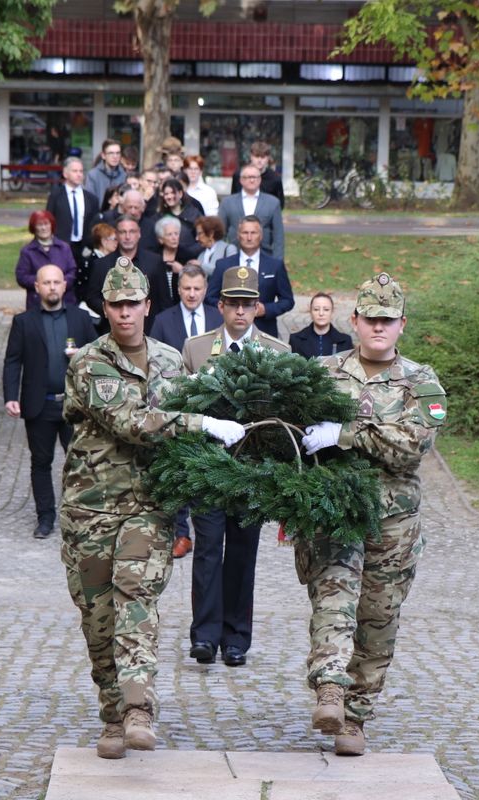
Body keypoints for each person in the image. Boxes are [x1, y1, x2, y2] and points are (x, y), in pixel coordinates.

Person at [60, 259, 246, 759]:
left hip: (149, 508)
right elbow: (132, 422)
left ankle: (139, 708)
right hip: (91, 512)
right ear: (105, 308)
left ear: (147, 305)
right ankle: (113, 715)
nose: (124, 313)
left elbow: (191, 421)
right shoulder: (89, 363)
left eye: (132, 304)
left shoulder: (171, 360)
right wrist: (199, 423)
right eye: (115, 304)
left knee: (136, 602)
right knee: (99, 619)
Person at [295, 272, 447, 757]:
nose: (378, 327)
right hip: (335, 515)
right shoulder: (321, 371)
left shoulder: (422, 382)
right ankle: (331, 689)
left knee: (378, 618)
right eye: (370, 318)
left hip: (394, 524)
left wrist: (346, 433)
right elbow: (292, 431)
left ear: (402, 324)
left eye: (388, 319)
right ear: (354, 321)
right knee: (334, 602)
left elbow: (412, 446)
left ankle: (355, 717)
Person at [181, 265, 290, 669]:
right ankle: (205, 635)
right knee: (208, 550)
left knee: (243, 554)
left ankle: (236, 638)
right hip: (208, 469)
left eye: (248, 304)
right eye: (233, 304)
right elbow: (182, 407)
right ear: (220, 305)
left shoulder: (277, 354)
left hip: (251, 474)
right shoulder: (196, 349)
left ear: (258, 308)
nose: (240, 312)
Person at [3, 265, 98, 538]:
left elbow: (99, 356)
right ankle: (45, 517)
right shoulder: (24, 322)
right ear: (37, 287)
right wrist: (10, 396)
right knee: (41, 462)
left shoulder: (80, 319)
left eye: (57, 282)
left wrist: (82, 356)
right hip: (39, 404)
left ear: (65, 286)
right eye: (47, 282)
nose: (53, 287)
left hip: (74, 405)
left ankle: (78, 515)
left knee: (81, 462)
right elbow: (13, 362)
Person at [148, 263, 223, 559]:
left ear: (205, 289)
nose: (192, 294)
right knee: (179, 470)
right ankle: (181, 533)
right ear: (178, 289)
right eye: (186, 288)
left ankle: (209, 529)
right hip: (176, 406)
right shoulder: (164, 320)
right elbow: (153, 359)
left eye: (197, 289)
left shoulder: (218, 319)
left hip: (213, 408)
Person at [205, 216, 294, 338]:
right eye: (245, 232)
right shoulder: (223, 265)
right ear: (238, 235)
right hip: (229, 331)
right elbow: (210, 298)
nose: (249, 237)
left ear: (261, 236)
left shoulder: (275, 265)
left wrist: (266, 309)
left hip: (264, 330)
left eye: (253, 233)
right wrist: (228, 308)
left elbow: (288, 300)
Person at [82, 215, 161, 332]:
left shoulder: (155, 261)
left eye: (132, 231)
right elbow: (91, 297)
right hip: (112, 330)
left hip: (148, 330)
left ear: (139, 233)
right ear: (117, 235)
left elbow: (163, 300)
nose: (127, 236)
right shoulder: (101, 265)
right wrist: (113, 310)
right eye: (123, 232)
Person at [218, 163, 285, 260]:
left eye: (255, 177)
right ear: (241, 180)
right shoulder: (227, 203)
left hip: (264, 255)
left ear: (260, 179)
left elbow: (278, 236)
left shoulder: (273, 203)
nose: (252, 180)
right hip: (234, 256)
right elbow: (220, 234)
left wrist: (278, 262)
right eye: (248, 177)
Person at [45, 155, 100, 272]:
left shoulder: (91, 199)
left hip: (84, 248)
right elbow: (48, 220)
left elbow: (95, 225)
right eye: (75, 171)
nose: (79, 174)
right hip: (61, 246)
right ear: (65, 173)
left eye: (81, 171)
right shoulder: (56, 196)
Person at [16, 210, 77, 310]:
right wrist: (43, 283)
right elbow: (21, 277)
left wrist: (58, 284)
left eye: (46, 224)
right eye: (39, 225)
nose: (43, 228)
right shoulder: (27, 251)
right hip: (37, 303)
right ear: (34, 228)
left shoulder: (64, 248)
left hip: (65, 300)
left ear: (51, 225)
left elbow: (72, 272)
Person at [147, 215, 193, 321]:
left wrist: (182, 271)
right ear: (161, 239)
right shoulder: (153, 257)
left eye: (176, 233)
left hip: (181, 307)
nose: (174, 237)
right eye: (169, 234)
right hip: (156, 308)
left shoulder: (187, 255)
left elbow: (194, 280)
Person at [150, 178, 202, 259]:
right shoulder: (158, 217)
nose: (169, 196)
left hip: (189, 258)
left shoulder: (194, 214)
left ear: (180, 193)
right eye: (166, 194)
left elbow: (203, 238)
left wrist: (190, 253)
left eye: (173, 193)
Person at [289, 293, 353, 358]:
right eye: (316, 309)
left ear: (332, 312)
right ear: (310, 312)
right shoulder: (296, 340)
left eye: (326, 309)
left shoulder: (345, 341)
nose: (321, 313)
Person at [228, 140, 285, 208]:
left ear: (268, 158)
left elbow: (279, 204)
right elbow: (233, 199)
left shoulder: (275, 179)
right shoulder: (239, 175)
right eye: (257, 156)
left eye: (263, 157)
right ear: (251, 156)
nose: (259, 160)